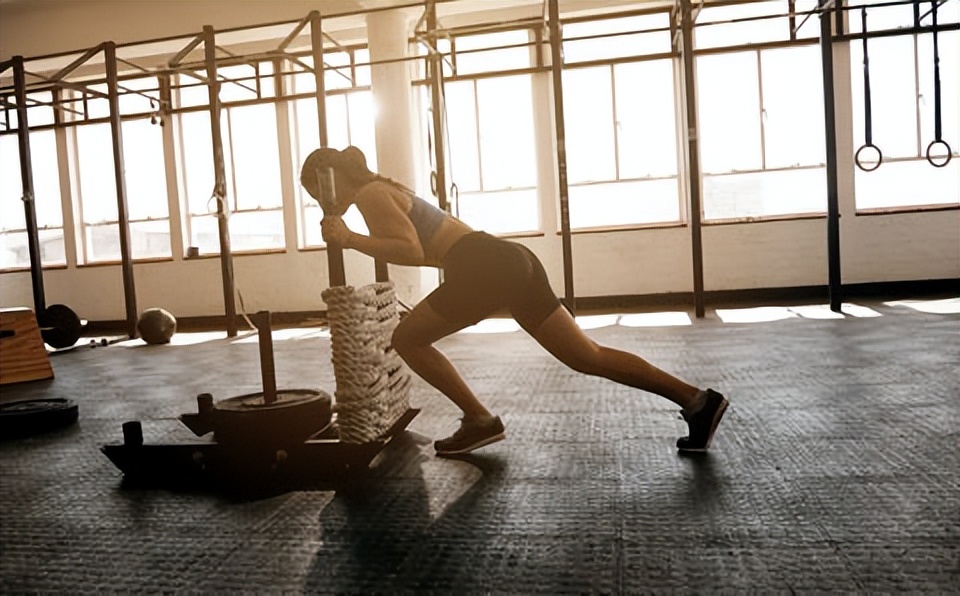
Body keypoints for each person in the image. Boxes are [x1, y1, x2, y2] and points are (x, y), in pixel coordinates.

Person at [301, 146, 728, 456]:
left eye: (318, 191)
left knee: (408, 339)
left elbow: (409, 249)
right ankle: (696, 401)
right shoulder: (383, 190)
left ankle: (479, 420)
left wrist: (349, 238)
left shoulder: (370, 194)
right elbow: (419, 243)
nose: (322, 201)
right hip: (508, 258)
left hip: (479, 264)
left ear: (331, 179)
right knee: (588, 355)